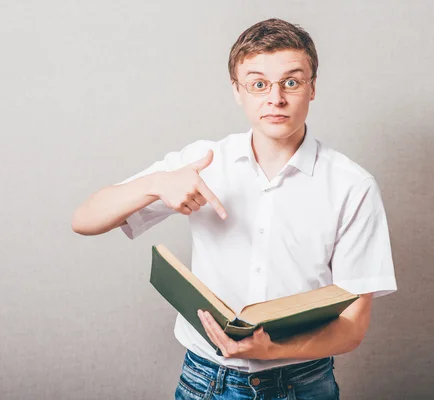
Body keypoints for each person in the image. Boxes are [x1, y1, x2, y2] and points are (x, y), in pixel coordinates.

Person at [72, 18, 397, 400]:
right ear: (237, 91)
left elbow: (352, 327)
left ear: (312, 88)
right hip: (204, 381)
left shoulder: (352, 185)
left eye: (291, 82)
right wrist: (155, 183)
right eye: (258, 84)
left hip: (302, 385)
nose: (275, 98)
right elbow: (85, 220)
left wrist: (270, 350)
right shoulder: (202, 162)